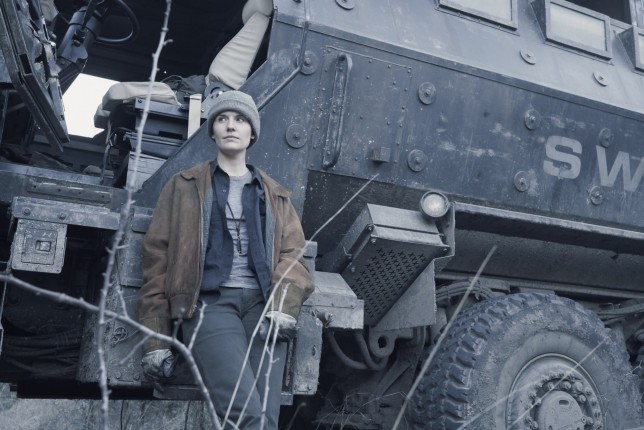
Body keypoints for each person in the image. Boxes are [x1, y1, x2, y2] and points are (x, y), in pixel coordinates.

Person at [137, 90, 314, 429]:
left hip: (263, 309)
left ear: (252, 133)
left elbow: (294, 254)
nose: (231, 126)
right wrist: (156, 337)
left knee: (267, 420)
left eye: (240, 119)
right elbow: (156, 259)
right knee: (246, 415)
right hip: (209, 306)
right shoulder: (184, 186)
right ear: (213, 132)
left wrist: (283, 305)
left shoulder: (275, 194)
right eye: (222, 119)